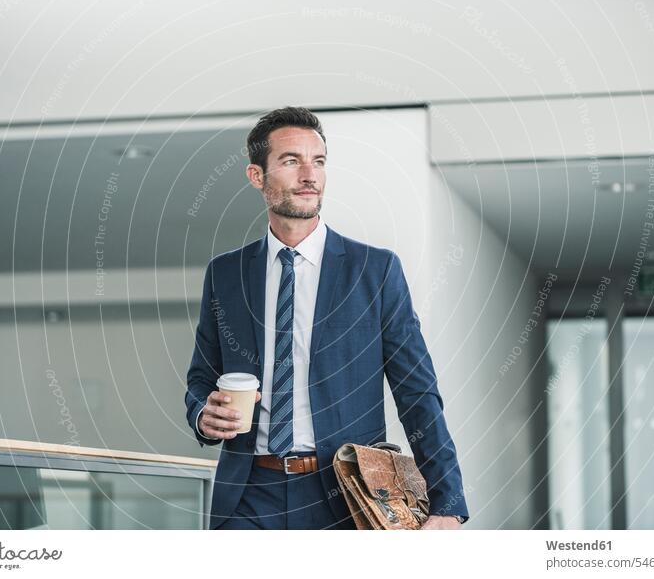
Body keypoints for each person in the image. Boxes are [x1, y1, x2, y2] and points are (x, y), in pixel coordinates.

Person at [184, 106, 468, 530]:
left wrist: (446, 503)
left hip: (343, 496)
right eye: (290, 161)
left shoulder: (374, 271)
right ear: (256, 176)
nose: (309, 175)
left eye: (317, 162)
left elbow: (417, 392)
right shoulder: (226, 275)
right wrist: (202, 416)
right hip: (247, 495)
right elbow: (201, 379)